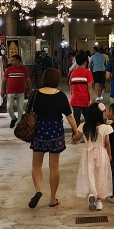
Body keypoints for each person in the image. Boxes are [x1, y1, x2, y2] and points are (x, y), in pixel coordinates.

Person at [29, 68, 79, 209]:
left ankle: (38, 190)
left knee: (36, 165)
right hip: (55, 130)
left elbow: (28, 112)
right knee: (54, 166)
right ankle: (52, 199)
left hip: (39, 130)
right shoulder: (60, 95)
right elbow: (69, 116)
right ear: (57, 80)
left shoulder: (35, 94)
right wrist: (76, 132)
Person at [71, 102, 113, 212]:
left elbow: (77, 137)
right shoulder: (105, 127)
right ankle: (98, 202)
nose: (105, 113)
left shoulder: (84, 126)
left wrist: (74, 139)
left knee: (90, 174)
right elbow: (107, 143)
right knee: (100, 175)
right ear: (99, 114)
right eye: (104, 111)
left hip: (88, 153)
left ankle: (91, 193)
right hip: (101, 153)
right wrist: (109, 155)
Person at [2, 54, 31, 128]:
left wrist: (30, 90)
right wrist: (2, 89)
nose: (11, 62)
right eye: (11, 60)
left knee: (20, 108)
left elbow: (28, 80)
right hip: (10, 91)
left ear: (18, 61)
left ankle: (19, 122)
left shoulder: (23, 69)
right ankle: (13, 118)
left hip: (20, 92)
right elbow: (4, 80)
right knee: (9, 107)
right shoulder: (8, 69)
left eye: (13, 60)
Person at [69, 52, 94, 130]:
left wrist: (72, 96)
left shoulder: (73, 73)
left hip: (75, 100)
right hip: (85, 100)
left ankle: (75, 134)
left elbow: (71, 87)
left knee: (76, 120)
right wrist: (91, 99)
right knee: (88, 119)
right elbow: (89, 87)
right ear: (85, 62)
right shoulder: (87, 72)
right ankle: (88, 134)